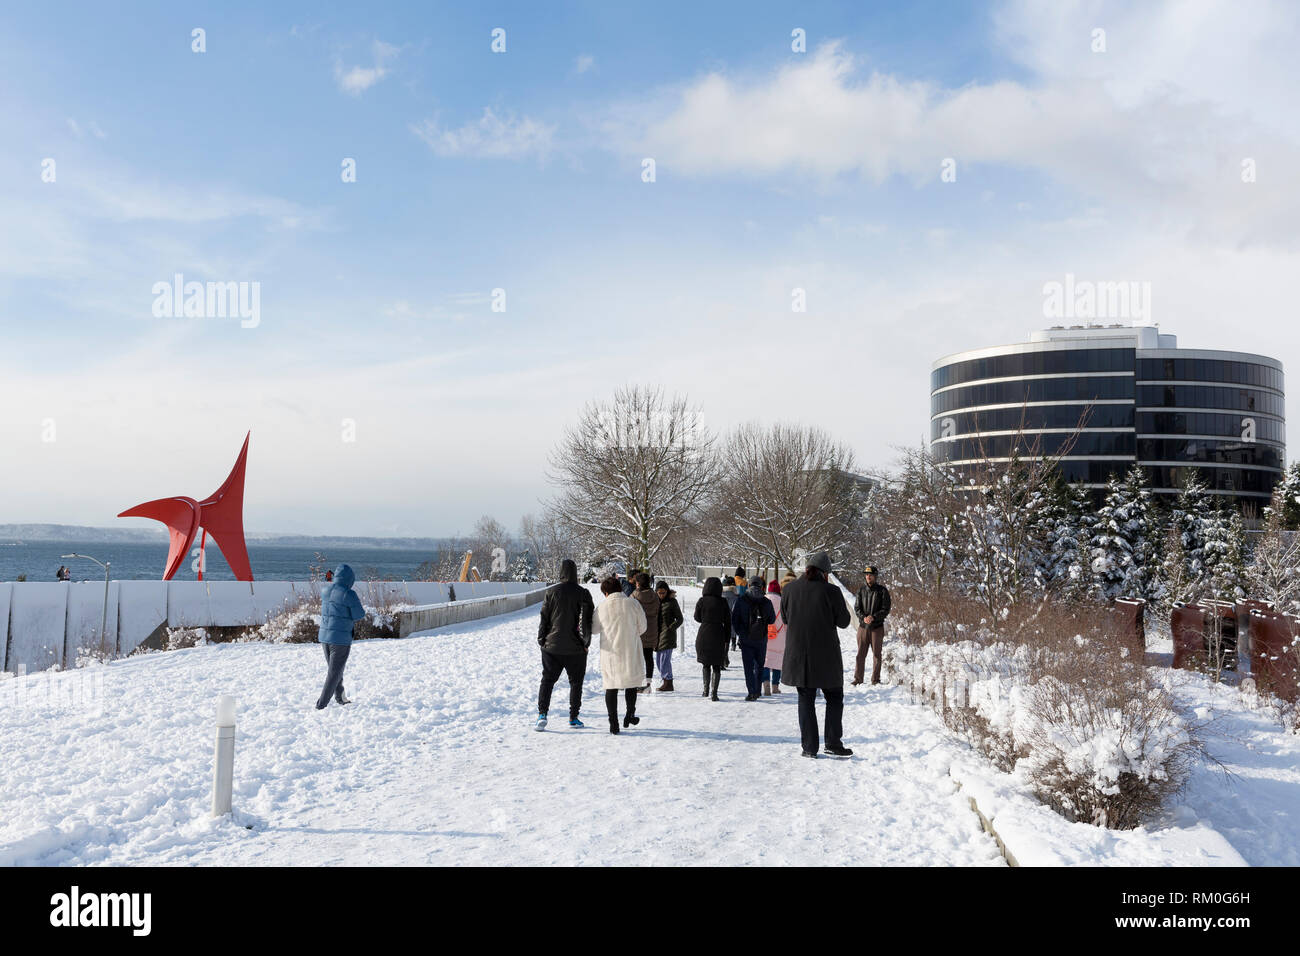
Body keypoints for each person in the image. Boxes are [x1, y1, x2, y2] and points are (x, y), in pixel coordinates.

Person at [780, 551, 853, 758]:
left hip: (798, 655)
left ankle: (809, 748)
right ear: (824, 573)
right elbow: (844, 622)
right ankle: (832, 742)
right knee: (834, 697)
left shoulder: (790, 589)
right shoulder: (831, 591)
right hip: (826, 655)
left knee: (805, 700)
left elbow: (785, 618)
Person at [535, 558, 595, 730]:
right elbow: (586, 621)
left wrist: (542, 639)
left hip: (551, 646)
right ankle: (573, 717)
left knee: (547, 681)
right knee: (576, 683)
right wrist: (586, 643)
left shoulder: (551, 592)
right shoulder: (583, 593)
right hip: (575, 648)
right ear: (575, 573)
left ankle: (542, 714)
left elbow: (544, 618)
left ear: (560, 572)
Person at [591, 576, 647, 734]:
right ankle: (630, 715)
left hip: (610, 652)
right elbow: (643, 626)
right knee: (631, 684)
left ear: (606, 592)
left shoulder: (602, 607)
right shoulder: (633, 603)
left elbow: (594, 630)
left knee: (611, 687)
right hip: (631, 649)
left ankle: (613, 723)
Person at [316, 563, 367, 710]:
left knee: (335, 670)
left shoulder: (325, 589)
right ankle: (321, 705)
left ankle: (340, 697)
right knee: (334, 673)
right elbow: (359, 615)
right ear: (350, 579)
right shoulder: (348, 593)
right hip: (340, 639)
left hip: (324, 636)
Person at [732, 574, 775, 701]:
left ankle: (751, 692)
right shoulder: (767, 602)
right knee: (760, 665)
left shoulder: (741, 600)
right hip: (761, 638)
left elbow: (735, 620)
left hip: (746, 639)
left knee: (748, 667)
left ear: (749, 585)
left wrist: (741, 633)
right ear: (761, 586)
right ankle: (757, 690)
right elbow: (772, 620)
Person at [853, 565, 892, 686]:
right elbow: (857, 608)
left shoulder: (882, 591)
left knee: (876, 655)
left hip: (877, 628)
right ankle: (858, 679)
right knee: (860, 655)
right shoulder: (861, 590)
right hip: (863, 628)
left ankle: (875, 679)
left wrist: (874, 617)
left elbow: (886, 609)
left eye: (870, 575)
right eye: (866, 575)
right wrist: (863, 617)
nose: (868, 576)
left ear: (875, 576)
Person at [693, 576, 731, 701]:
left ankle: (705, 690)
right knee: (716, 665)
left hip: (704, 633)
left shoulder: (701, 601)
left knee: (705, 664)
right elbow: (728, 621)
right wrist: (727, 639)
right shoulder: (723, 602)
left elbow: (697, 618)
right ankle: (714, 693)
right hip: (718, 634)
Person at [631, 572, 660, 692]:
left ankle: (637, 682)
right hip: (652, 629)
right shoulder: (654, 596)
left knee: (637, 658)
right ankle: (648, 684)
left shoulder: (634, 596)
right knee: (648, 657)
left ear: (637, 583)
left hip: (638, 630)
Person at [654, 580, 683, 692]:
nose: (661, 595)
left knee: (665, 660)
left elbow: (680, 619)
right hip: (657, 634)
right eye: (659, 592)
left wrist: (671, 628)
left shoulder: (672, 602)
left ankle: (668, 682)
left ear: (667, 591)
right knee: (658, 661)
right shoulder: (655, 601)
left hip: (668, 634)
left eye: (663, 592)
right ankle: (665, 680)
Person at [763, 579, 786, 695]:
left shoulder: (764, 600)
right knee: (778, 660)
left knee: (765, 659)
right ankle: (775, 686)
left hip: (765, 633)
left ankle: (766, 682)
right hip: (780, 634)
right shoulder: (783, 602)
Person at [722, 576, 740, 651]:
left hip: (723, 617)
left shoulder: (721, 595)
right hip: (732, 617)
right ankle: (733, 644)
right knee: (733, 630)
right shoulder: (736, 596)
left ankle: (724, 645)